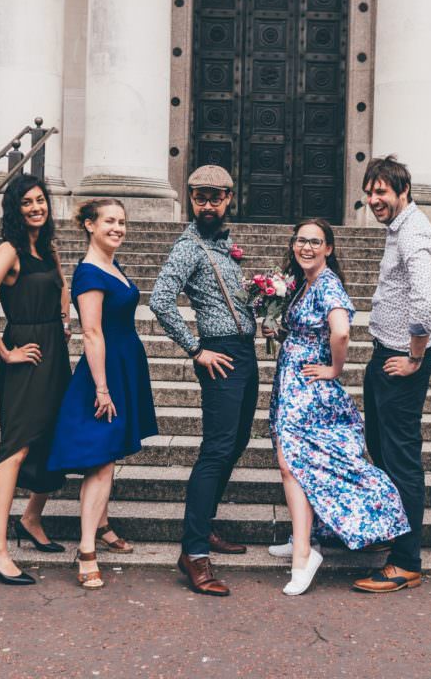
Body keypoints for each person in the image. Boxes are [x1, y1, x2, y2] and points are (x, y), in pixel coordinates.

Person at [267, 219, 409, 596]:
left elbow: (341, 330)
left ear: (329, 248)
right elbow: (305, 328)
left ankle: (304, 554)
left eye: (315, 242)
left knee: (292, 462)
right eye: (300, 240)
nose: (306, 247)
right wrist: (277, 330)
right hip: (293, 382)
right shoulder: (302, 284)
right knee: (294, 462)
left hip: (309, 387)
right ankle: (307, 537)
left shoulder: (327, 283)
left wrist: (335, 368)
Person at [149, 164, 258, 597]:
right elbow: (160, 299)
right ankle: (194, 552)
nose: (208, 204)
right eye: (200, 197)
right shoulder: (188, 247)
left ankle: (205, 526)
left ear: (229, 199)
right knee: (216, 449)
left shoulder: (226, 244)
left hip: (244, 352)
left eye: (216, 197)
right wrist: (195, 349)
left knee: (237, 441)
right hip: (219, 355)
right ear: (191, 200)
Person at [48, 198, 158, 589]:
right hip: (105, 369)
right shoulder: (90, 272)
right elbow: (91, 331)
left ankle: (104, 523)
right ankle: (87, 550)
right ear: (89, 225)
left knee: (110, 452)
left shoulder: (111, 264)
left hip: (124, 363)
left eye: (122, 221)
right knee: (102, 460)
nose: (118, 228)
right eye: (109, 221)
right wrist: (101, 387)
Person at [0, 173, 71, 585]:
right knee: (17, 446)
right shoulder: (10, 250)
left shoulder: (47, 248)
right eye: (27, 202)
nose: (36, 207)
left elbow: (62, 287)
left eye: (40, 200)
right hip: (25, 356)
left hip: (55, 352)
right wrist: (5, 351)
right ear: (15, 209)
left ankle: (30, 519)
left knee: (54, 437)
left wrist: (64, 320)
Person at [351, 156, 431, 594]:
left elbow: (425, 303)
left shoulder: (415, 233)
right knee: (382, 451)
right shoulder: (401, 230)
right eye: (370, 192)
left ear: (402, 190)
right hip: (385, 353)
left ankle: (406, 561)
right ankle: (395, 535)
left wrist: (414, 356)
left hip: (401, 360)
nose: (374, 200)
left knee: (400, 458)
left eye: (382, 192)